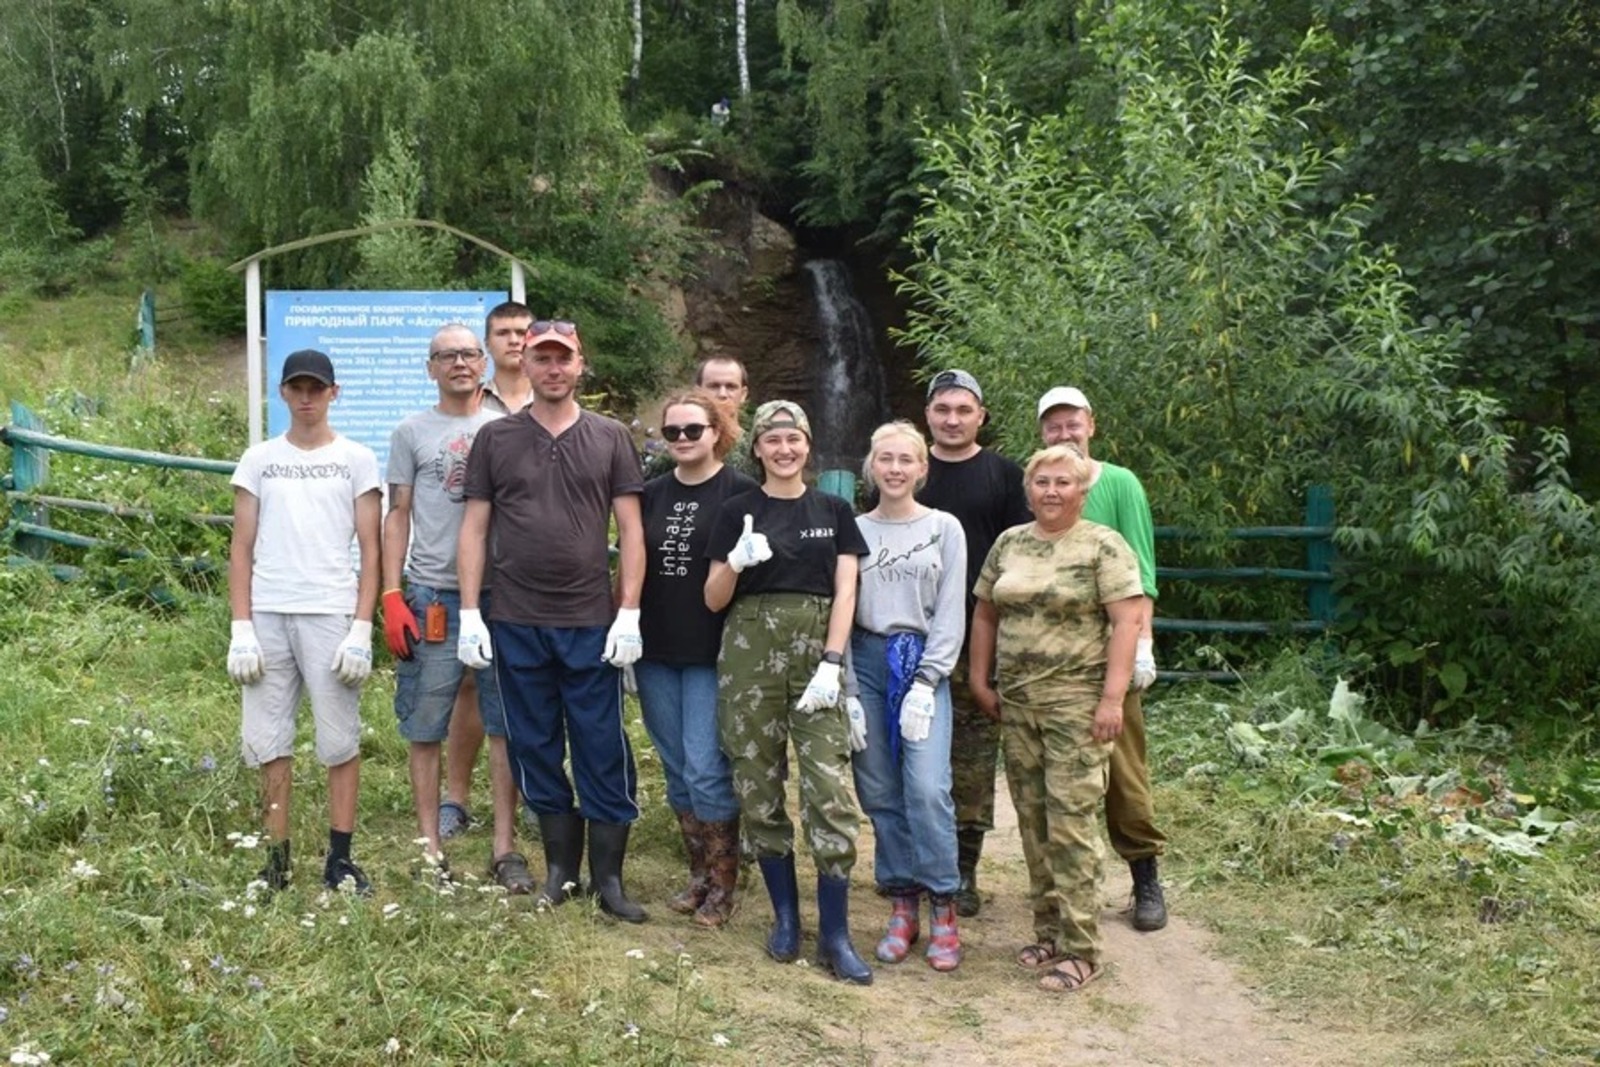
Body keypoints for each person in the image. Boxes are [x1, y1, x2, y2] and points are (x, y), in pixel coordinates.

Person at [457, 318, 650, 922]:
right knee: (534, 745)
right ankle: (560, 872)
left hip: (590, 620)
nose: (553, 368)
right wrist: (469, 613)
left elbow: (632, 530)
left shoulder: (610, 436)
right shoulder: (496, 439)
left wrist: (629, 612)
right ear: (525, 363)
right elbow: (475, 529)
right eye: (542, 357)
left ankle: (608, 880)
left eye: (563, 357)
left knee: (601, 743)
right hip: (515, 619)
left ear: (580, 364)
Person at [704, 400, 873, 984]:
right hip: (748, 653)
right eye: (772, 440)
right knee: (757, 782)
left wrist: (833, 662)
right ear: (757, 448)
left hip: (816, 655)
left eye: (793, 439)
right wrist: (734, 561)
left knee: (829, 788)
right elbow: (713, 599)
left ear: (807, 445)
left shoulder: (834, 509)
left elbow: (847, 592)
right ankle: (785, 919)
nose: (784, 449)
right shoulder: (736, 510)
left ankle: (836, 935)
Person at [969, 444, 1146, 992]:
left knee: (1070, 825)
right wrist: (979, 679)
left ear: (1082, 491)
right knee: (1033, 822)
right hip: (1018, 704)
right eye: (1042, 482)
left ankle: (1081, 948)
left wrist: (1112, 699)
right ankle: (1047, 931)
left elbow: (1127, 623)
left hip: (1077, 706)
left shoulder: (1103, 545)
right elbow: (985, 612)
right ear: (1028, 490)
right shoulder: (1009, 543)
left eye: (1063, 482)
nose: (1051, 491)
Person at [381, 324, 531, 893]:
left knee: (504, 723)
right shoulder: (410, 432)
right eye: (447, 356)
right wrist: (391, 593)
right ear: (430, 368)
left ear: (484, 363)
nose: (460, 363)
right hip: (433, 594)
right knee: (425, 722)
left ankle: (505, 846)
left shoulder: (507, 429)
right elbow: (398, 513)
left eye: (469, 353)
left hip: (503, 595)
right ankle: (430, 847)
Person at [226, 349, 381, 894]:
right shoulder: (259, 460)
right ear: (283, 393)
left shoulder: (356, 459)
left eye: (317, 388)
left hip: (330, 611)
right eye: (298, 388)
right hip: (269, 610)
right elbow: (241, 547)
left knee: (339, 737)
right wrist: (241, 626)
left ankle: (340, 858)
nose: (307, 397)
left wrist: (362, 627)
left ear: (334, 393)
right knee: (269, 739)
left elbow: (371, 547)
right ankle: (276, 860)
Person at [1037, 386, 1168, 931]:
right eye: (1054, 425)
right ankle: (1061, 892)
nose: (1064, 433)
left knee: (1124, 769)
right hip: (1052, 659)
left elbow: (1142, 570)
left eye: (1073, 423)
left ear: (1091, 424)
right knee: (1055, 779)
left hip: (1111, 651)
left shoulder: (1119, 483)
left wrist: (1142, 644)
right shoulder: (1042, 483)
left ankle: (1145, 877)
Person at [846, 421, 968, 971]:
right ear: (871, 466)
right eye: (885, 459)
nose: (894, 469)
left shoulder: (944, 528)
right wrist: (847, 685)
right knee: (878, 788)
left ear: (922, 468)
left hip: (921, 662)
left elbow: (951, 610)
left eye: (905, 460)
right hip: (867, 660)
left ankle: (943, 902)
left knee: (926, 787)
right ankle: (901, 903)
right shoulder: (853, 530)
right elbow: (841, 610)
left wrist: (928, 679)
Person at [636, 389, 759, 927]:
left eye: (693, 429)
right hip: (654, 646)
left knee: (706, 766)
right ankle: (698, 876)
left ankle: (725, 883)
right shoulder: (650, 493)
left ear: (717, 431)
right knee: (676, 768)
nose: (683, 439)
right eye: (673, 431)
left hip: (712, 649)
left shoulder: (741, 491)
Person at [915, 369, 1032, 917]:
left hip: (979, 636)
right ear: (927, 415)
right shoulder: (907, 468)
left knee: (972, 758)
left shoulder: (1006, 476)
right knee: (912, 753)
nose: (952, 419)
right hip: (911, 637)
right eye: (942, 409)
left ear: (981, 415)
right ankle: (911, 862)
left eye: (963, 409)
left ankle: (964, 870)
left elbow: (1022, 557)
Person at [433, 300, 534, 840]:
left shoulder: (554, 393)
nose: (515, 340)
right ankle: (456, 797)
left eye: (523, 331)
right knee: (469, 683)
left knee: (531, 685)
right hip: (470, 567)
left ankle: (534, 790)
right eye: (504, 332)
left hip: (529, 569)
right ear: (487, 344)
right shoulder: (469, 397)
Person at [643, 355, 759, 480]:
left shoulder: (757, 452)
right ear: (698, 392)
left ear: (743, 394)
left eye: (731, 387)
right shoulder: (678, 451)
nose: (722, 394)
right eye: (714, 386)